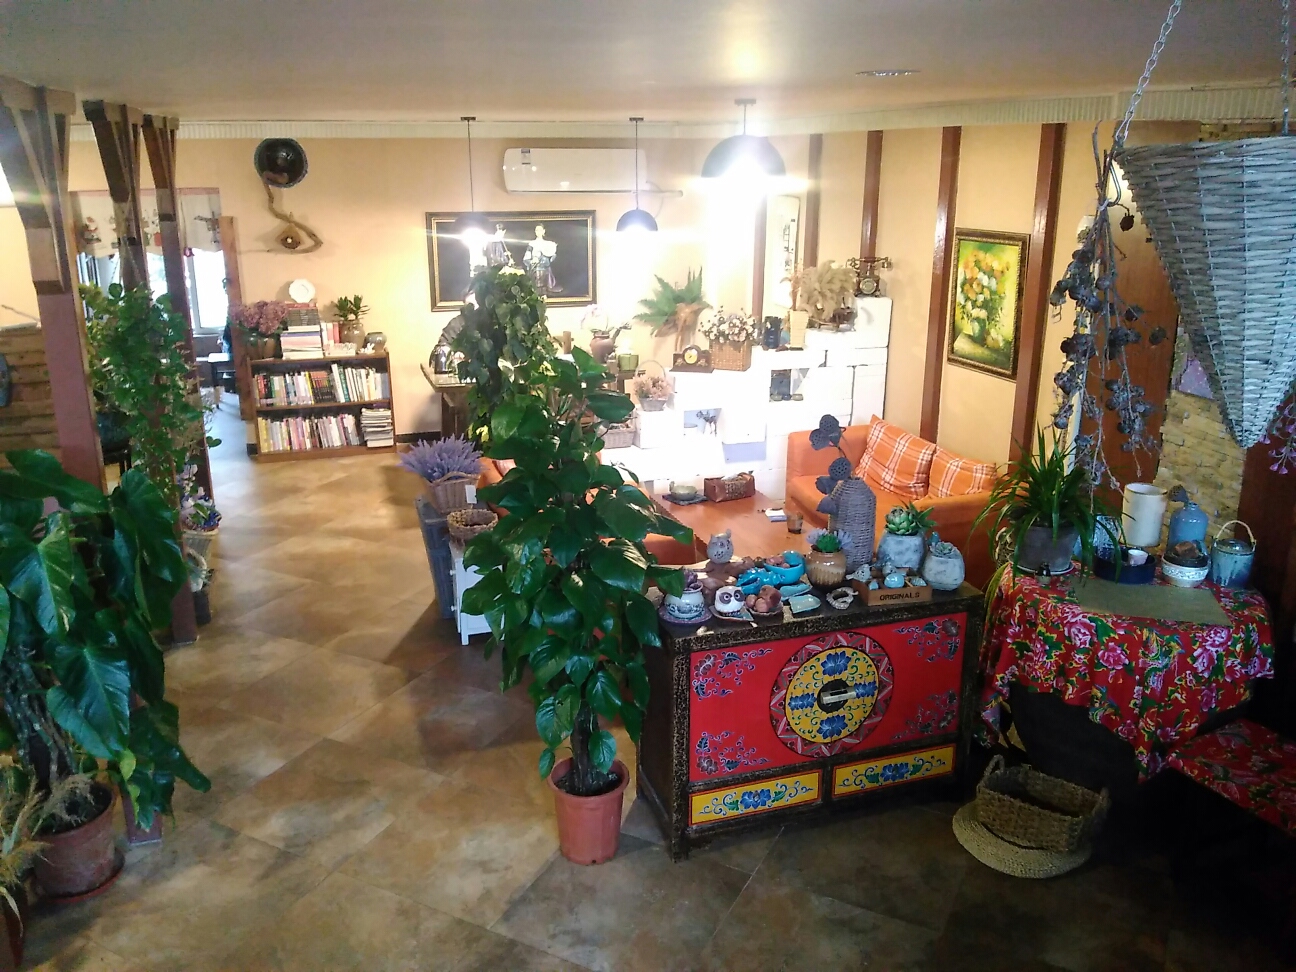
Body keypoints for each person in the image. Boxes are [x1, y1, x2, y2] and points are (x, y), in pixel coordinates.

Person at [523, 224, 562, 296]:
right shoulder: (532, 243)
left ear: (544, 231)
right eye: (537, 230)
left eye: (540, 230)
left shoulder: (548, 243)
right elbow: (527, 256)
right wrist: (532, 261)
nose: (538, 232)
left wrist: (550, 255)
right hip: (534, 268)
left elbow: (552, 256)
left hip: (545, 267)